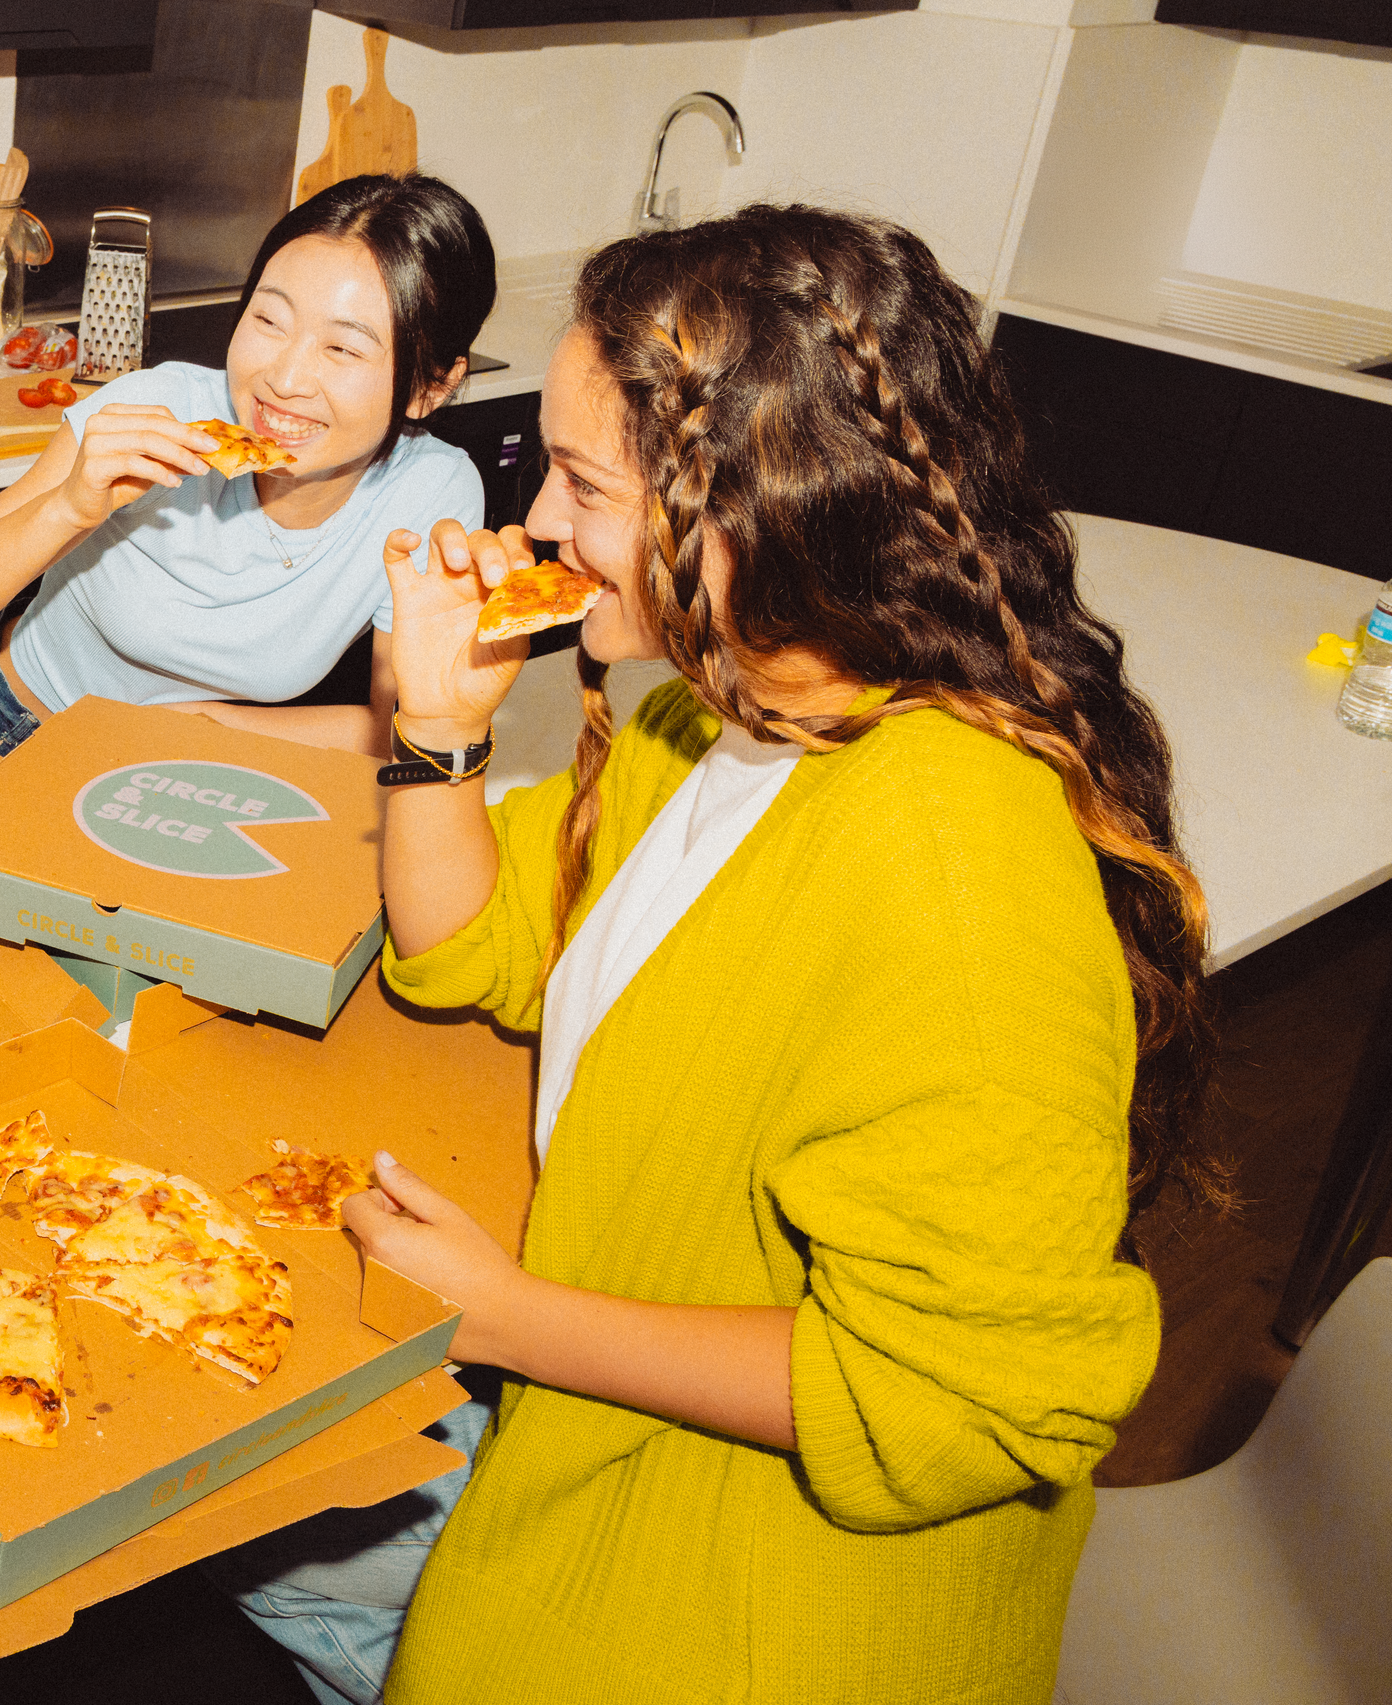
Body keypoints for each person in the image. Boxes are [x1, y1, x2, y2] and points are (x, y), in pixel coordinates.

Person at [309, 203, 1219, 1703]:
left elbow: (965, 1399)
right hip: (588, 1447)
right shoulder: (715, 712)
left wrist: (500, 1313)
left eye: (583, 487)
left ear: (754, 510)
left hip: (754, 1613)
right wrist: (435, 735)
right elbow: (472, 943)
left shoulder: (955, 874)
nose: (537, 527)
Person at [0, 174, 495, 782]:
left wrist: (202, 726)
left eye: (343, 350)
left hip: (180, 774)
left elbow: (403, 728)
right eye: (269, 321)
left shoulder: (432, 495)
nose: (284, 377)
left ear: (430, 386)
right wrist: (68, 509)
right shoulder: (158, 409)